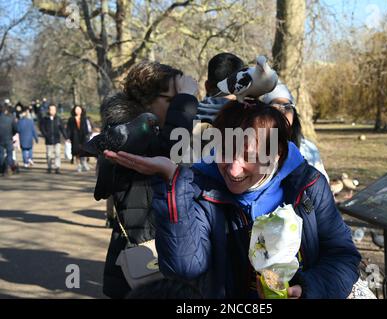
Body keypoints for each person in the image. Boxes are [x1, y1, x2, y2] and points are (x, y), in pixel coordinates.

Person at [105, 100, 361, 299]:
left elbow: (342, 256)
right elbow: (184, 268)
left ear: (277, 152)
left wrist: (308, 289)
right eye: (225, 151)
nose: (233, 169)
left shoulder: (307, 185)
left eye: (249, 156)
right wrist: (173, 181)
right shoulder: (198, 189)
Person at [97, 60, 199, 299]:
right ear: (146, 102)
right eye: (171, 100)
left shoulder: (151, 132)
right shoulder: (129, 134)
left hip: (153, 256)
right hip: (140, 263)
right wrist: (185, 100)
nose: (176, 107)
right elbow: (169, 149)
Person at [261, 82, 330, 182]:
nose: (282, 112)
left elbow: (322, 185)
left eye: (287, 107)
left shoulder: (308, 149)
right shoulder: (253, 147)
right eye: (275, 107)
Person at [40, 104, 67, 174]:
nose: (52, 111)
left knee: (57, 154)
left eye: (54, 109)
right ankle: (49, 167)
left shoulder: (58, 119)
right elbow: (42, 128)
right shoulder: (45, 119)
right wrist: (45, 135)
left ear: (55, 110)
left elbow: (62, 129)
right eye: (51, 109)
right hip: (48, 140)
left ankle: (57, 167)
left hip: (57, 139)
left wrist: (66, 137)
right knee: (49, 155)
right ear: (48, 110)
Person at [66, 105, 91, 172]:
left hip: (83, 137)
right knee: (76, 152)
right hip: (74, 137)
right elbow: (68, 129)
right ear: (74, 110)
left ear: (81, 110)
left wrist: (87, 135)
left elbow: (86, 129)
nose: (78, 111)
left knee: (84, 151)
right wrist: (68, 137)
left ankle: (84, 163)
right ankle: (79, 165)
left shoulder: (84, 119)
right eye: (76, 109)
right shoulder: (71, 119)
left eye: (79, 109)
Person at [0, 103, 18, 176]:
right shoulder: (11, 118)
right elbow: (15, 129)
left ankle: (2, 167)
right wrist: (12, 134)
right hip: (8, 138)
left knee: (0, 154)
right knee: (9, 154)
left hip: (0, 139)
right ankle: (8, 166)